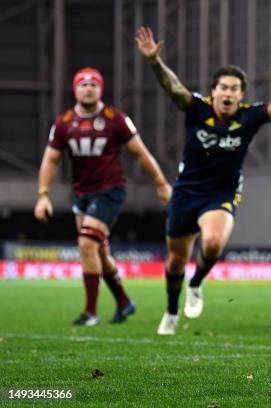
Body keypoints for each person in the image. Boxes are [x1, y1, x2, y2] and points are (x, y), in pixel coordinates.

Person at [134, 27, 271, 335]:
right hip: (186, 192)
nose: (228, 93)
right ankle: (170, 311)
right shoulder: (197, 108)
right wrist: (155, 61)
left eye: (235, 88)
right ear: (213, 91)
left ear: (241, 94)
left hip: (221, 193)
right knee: (175, 261)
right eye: (223, 87)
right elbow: (175, 88)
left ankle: (196, 284)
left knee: (211, 242)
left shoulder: (249, 117)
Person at [34, 67, 172, 326]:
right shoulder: (64, 123)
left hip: (110, 190)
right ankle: (123, 302)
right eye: (83, 84)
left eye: (94, 84)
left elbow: (140, 153)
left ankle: (90, 313)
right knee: (98, 251)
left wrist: (162, 183)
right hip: (81, 194)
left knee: (86, 244)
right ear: (75, 89)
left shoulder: (115, 119)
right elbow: (50, 159)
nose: (88, 88)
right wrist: (43, 195)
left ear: (101, 89)